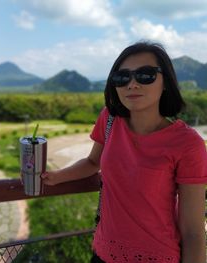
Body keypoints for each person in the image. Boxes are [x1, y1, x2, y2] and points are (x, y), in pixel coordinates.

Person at [41, 41, 207, 263]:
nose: (132, 84)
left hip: (157, 256)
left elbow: (193, 231)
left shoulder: (187, 144)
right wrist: (56, 177)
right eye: (122, 77)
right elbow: (93, 162)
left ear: (165, 81)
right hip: (102, 252)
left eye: (145, 75)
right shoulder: (109, 119)